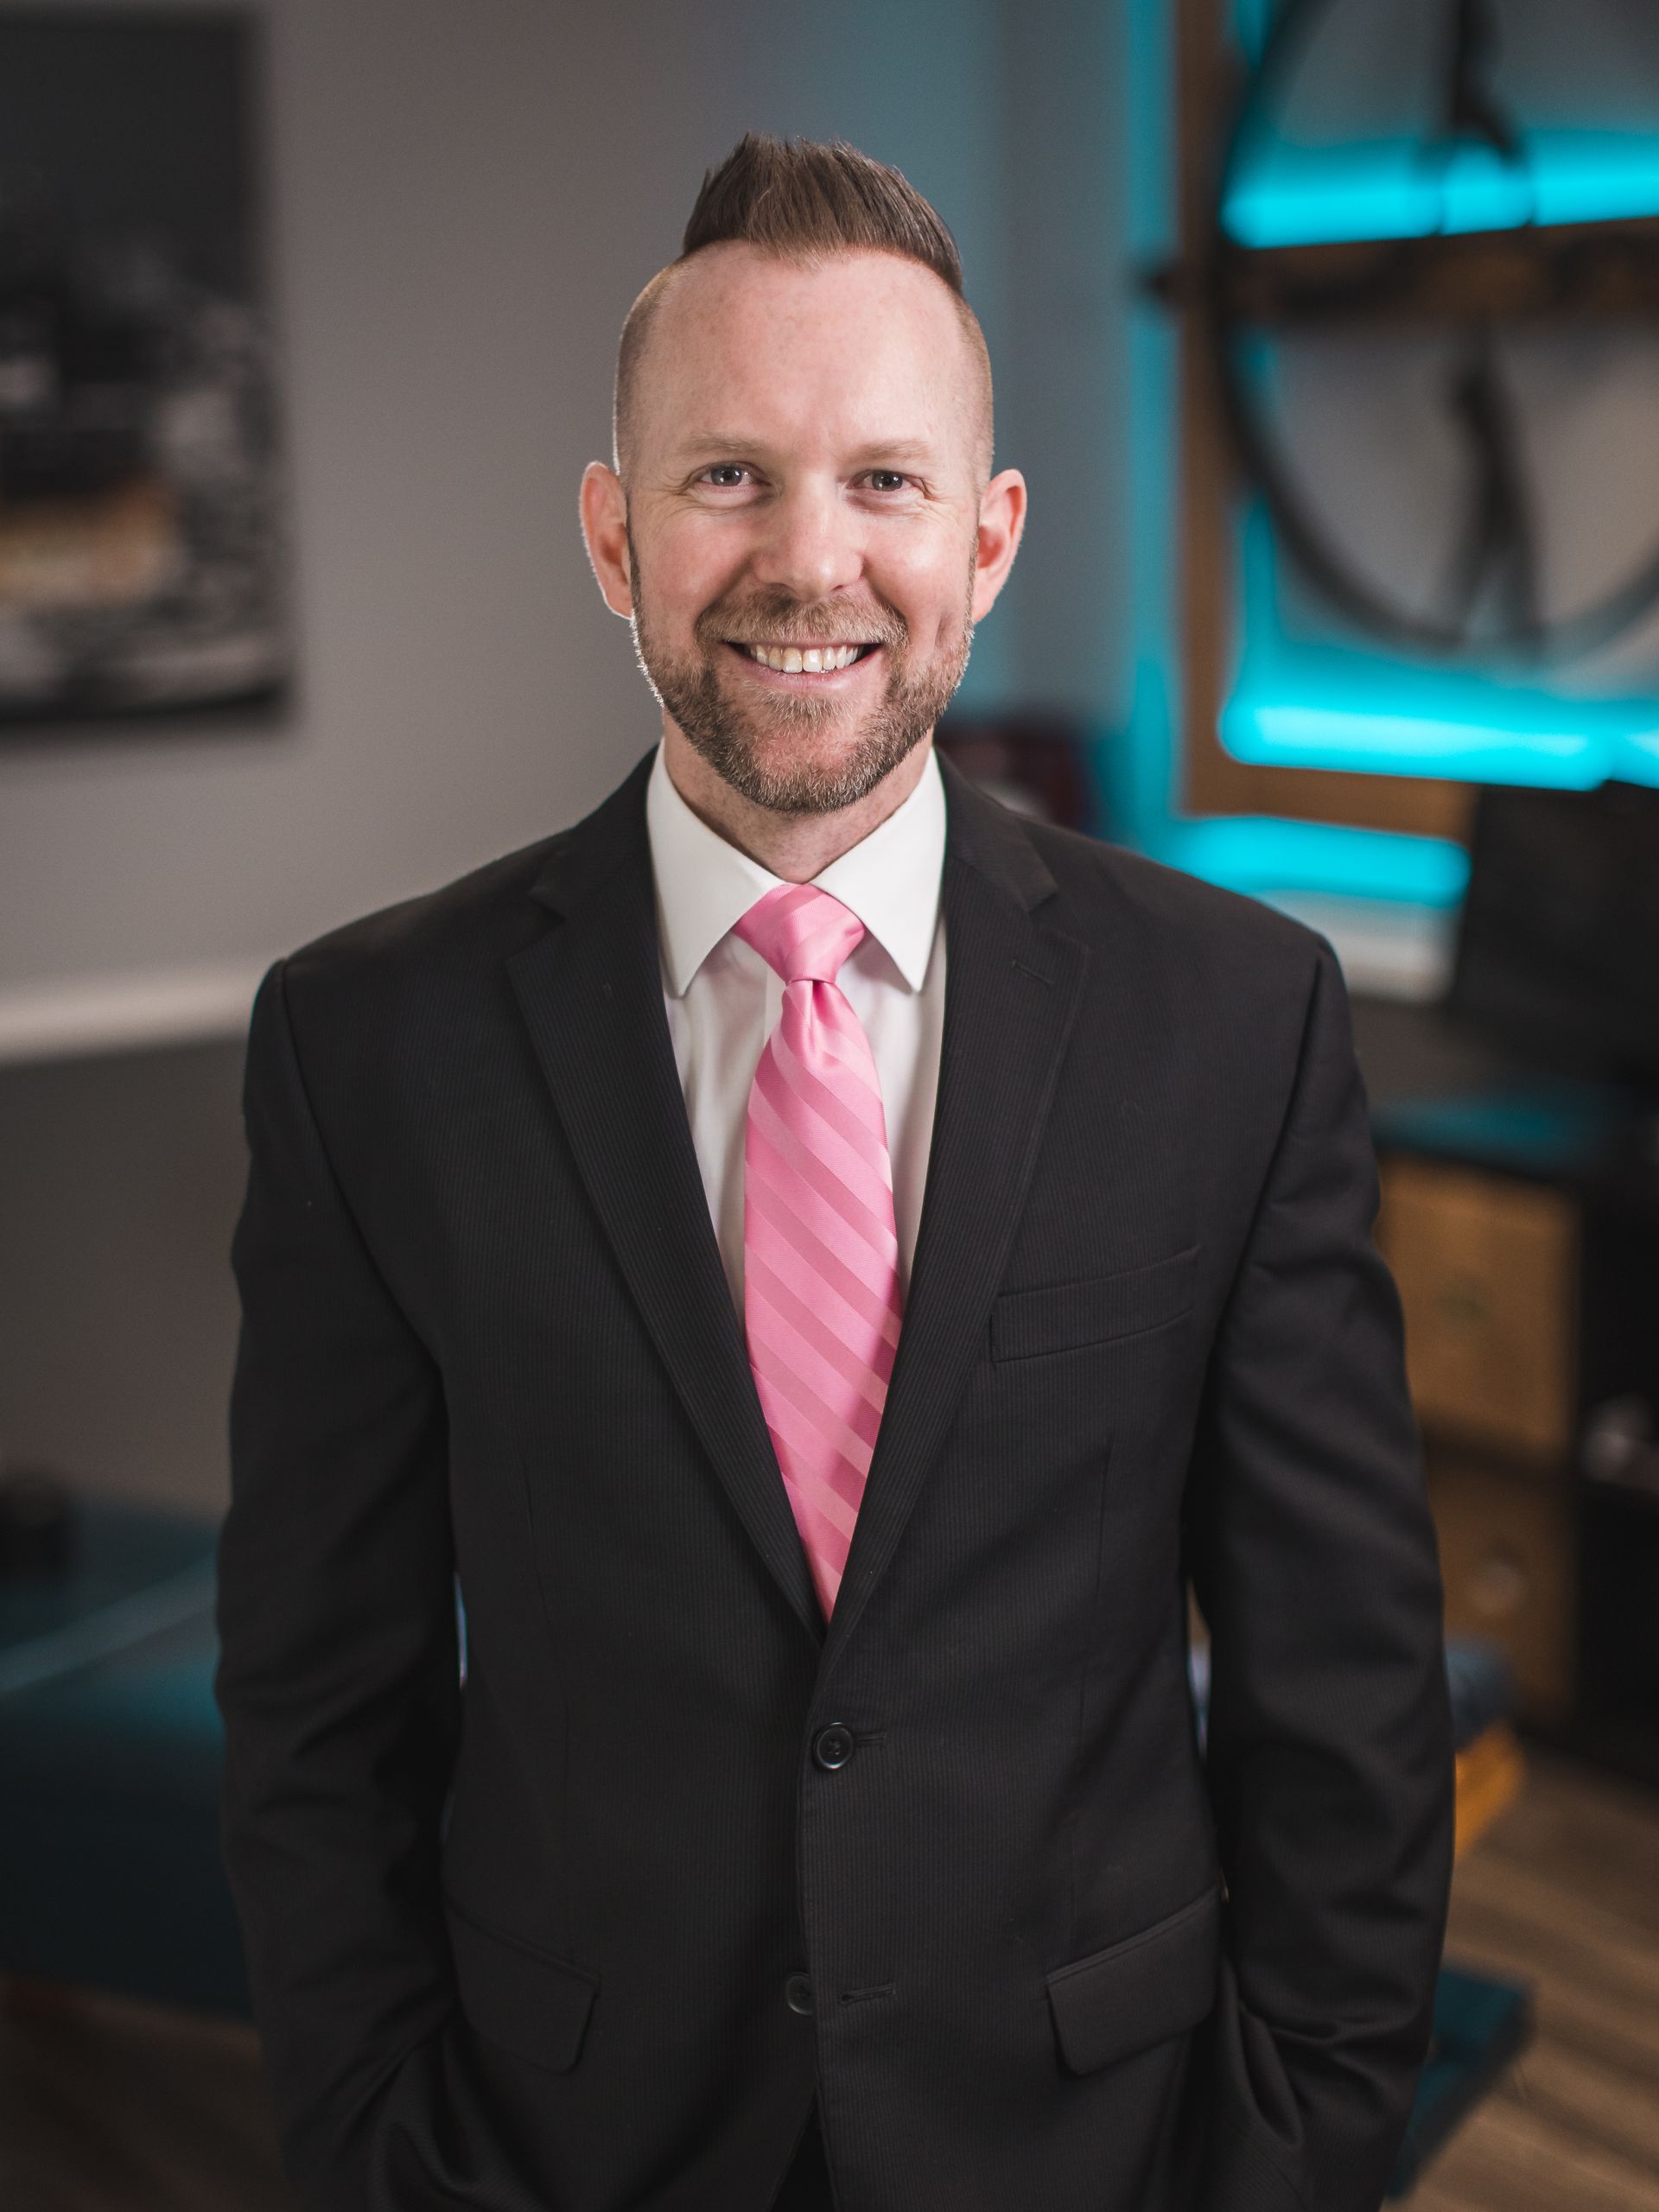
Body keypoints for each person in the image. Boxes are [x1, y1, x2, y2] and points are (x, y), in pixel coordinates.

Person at [216, 134, 1455, 2212]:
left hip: (1101, 2146)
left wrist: (1290, 2170)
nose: (812, 560)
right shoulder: (369, 1049)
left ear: (989, 539)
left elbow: (1347, 1702)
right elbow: (315, 1710)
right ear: (614, 538)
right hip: (561, 2150)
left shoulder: (1236, 1019)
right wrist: (382, 2154)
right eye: (727, 477)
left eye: (884, 480)